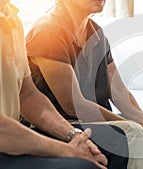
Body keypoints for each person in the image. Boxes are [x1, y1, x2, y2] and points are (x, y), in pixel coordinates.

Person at [25, 0, 143, 168]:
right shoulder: (48, 30)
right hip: (63, 125)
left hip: (93, 122)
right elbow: (72, 106)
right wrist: (140, 127)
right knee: (134, 132)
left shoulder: (96, 32)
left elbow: (118, 90)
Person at [0, 1, 114, 169]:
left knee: (101, 155)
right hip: (7, 141)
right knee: (82, 165)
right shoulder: (47, 29)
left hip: (11, 143)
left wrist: (73, 136)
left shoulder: (12, 18)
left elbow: (27, 96)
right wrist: (66, 150)